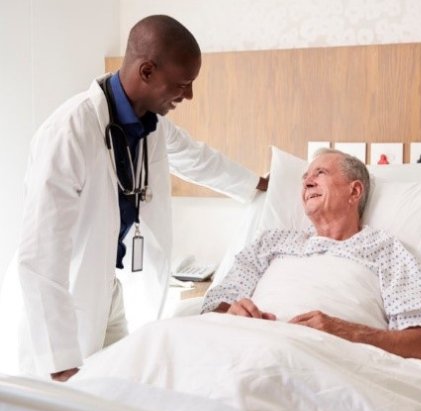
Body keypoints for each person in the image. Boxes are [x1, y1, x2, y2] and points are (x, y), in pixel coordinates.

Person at [13, 15, 267, 381]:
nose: (189, 95)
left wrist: (259, 183)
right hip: (64, 301)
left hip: (108, 290)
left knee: (123, 392)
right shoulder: (69, 133)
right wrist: (60, 361)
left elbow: (198, 159)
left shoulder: (149, 123)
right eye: (183, 84)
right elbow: (40, 258)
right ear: (147, 71)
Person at [201, 148, 421, 362]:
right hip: (243, 350)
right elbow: (216, 311)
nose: (307, 182)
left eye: (320, 173)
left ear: (355, 191)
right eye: (305, 178)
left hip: (326, 361)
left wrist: (347, 331)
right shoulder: (271, 243)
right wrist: (232, 317)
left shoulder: (386, 250)